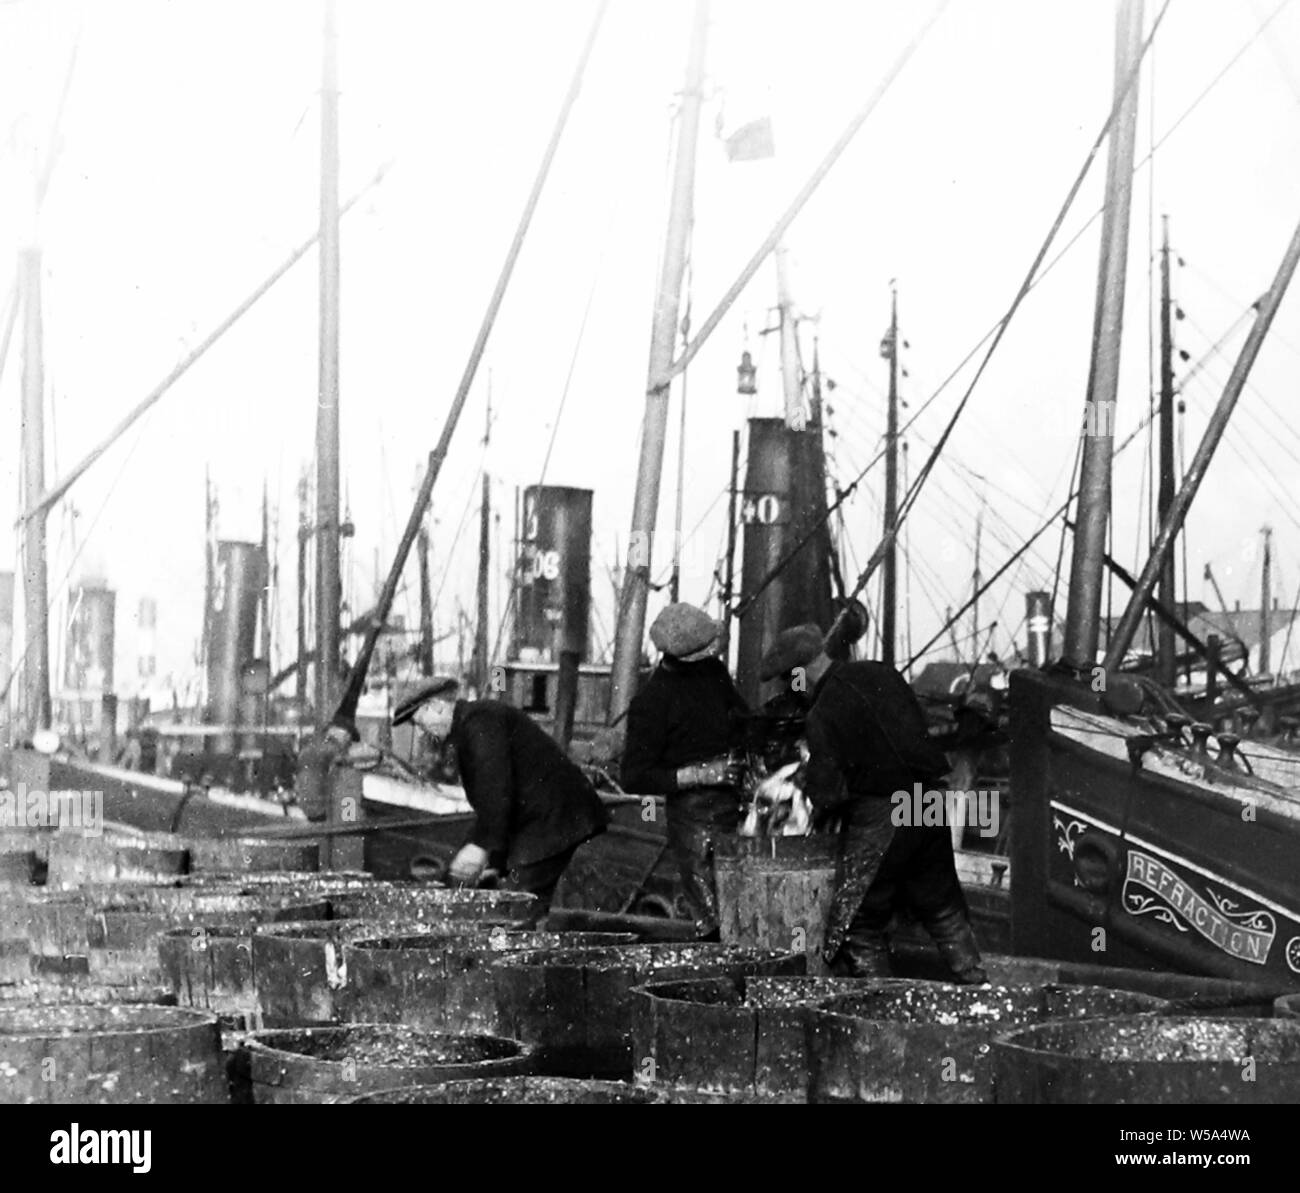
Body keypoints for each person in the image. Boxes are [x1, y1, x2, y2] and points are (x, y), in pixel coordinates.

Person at [760, 623, 988, 983]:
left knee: (858, 925)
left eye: (791, 682)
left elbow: (828, 794)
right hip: (929, 800)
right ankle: (979, 988)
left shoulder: (821, 713)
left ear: (799, 675)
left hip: (885, 814)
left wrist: (806, 781)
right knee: (942, 907)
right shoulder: (879, 672)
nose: (793, 690)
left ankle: (881, 1008)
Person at [393, 677, 609, 924]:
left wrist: (481, 847)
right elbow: (492, 800)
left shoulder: (480, 721)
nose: (421, 731)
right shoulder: (470, 725)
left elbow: (496, 786)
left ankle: (517, 955)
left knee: (517, 907)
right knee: (517, 904)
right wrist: (494, 860)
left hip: (552, 820)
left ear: (436, 706)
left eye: (419, 722)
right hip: (542, 819)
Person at [621, 602, 748, 939]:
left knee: (747, 910)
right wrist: (701, 774)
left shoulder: (715, 673)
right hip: (695, 819)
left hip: (738, 805)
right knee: (715, 920)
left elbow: (742, 721)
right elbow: (634, 775)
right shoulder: (651, 702)